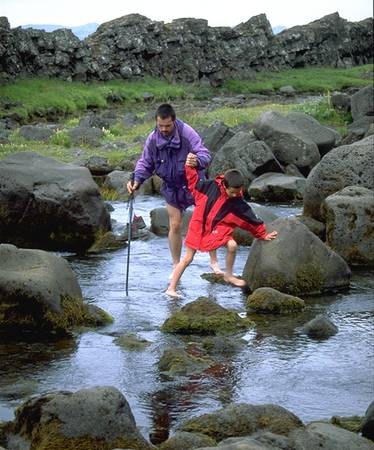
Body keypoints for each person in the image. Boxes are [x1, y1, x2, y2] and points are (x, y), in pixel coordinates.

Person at [127, 103, 222, 275]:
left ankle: (214, 263)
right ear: (156, 122)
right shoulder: (153, 139)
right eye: (160, 126)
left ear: (174, 121)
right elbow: (145, 163)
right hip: (171, 186)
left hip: (194, 184)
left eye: (167, 126)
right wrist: (137, 180)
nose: (163, 129)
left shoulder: (187, 133)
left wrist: (197, 161)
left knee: (207, 221)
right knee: (175, 225)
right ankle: (176, 265)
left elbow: (205, 154)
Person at [165, 156, 278, 298]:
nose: (235, 195)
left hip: (216, 230)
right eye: (232, 192)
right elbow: (193, 182)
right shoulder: (209, 187)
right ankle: (171, 288)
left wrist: (262, 234)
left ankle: (229, 276)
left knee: (232, 245)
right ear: (224, 185)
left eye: (238, 192)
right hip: (198, 228)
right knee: (187, 258)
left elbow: (249, 219)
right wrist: (190, 167)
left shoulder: (237, 201)